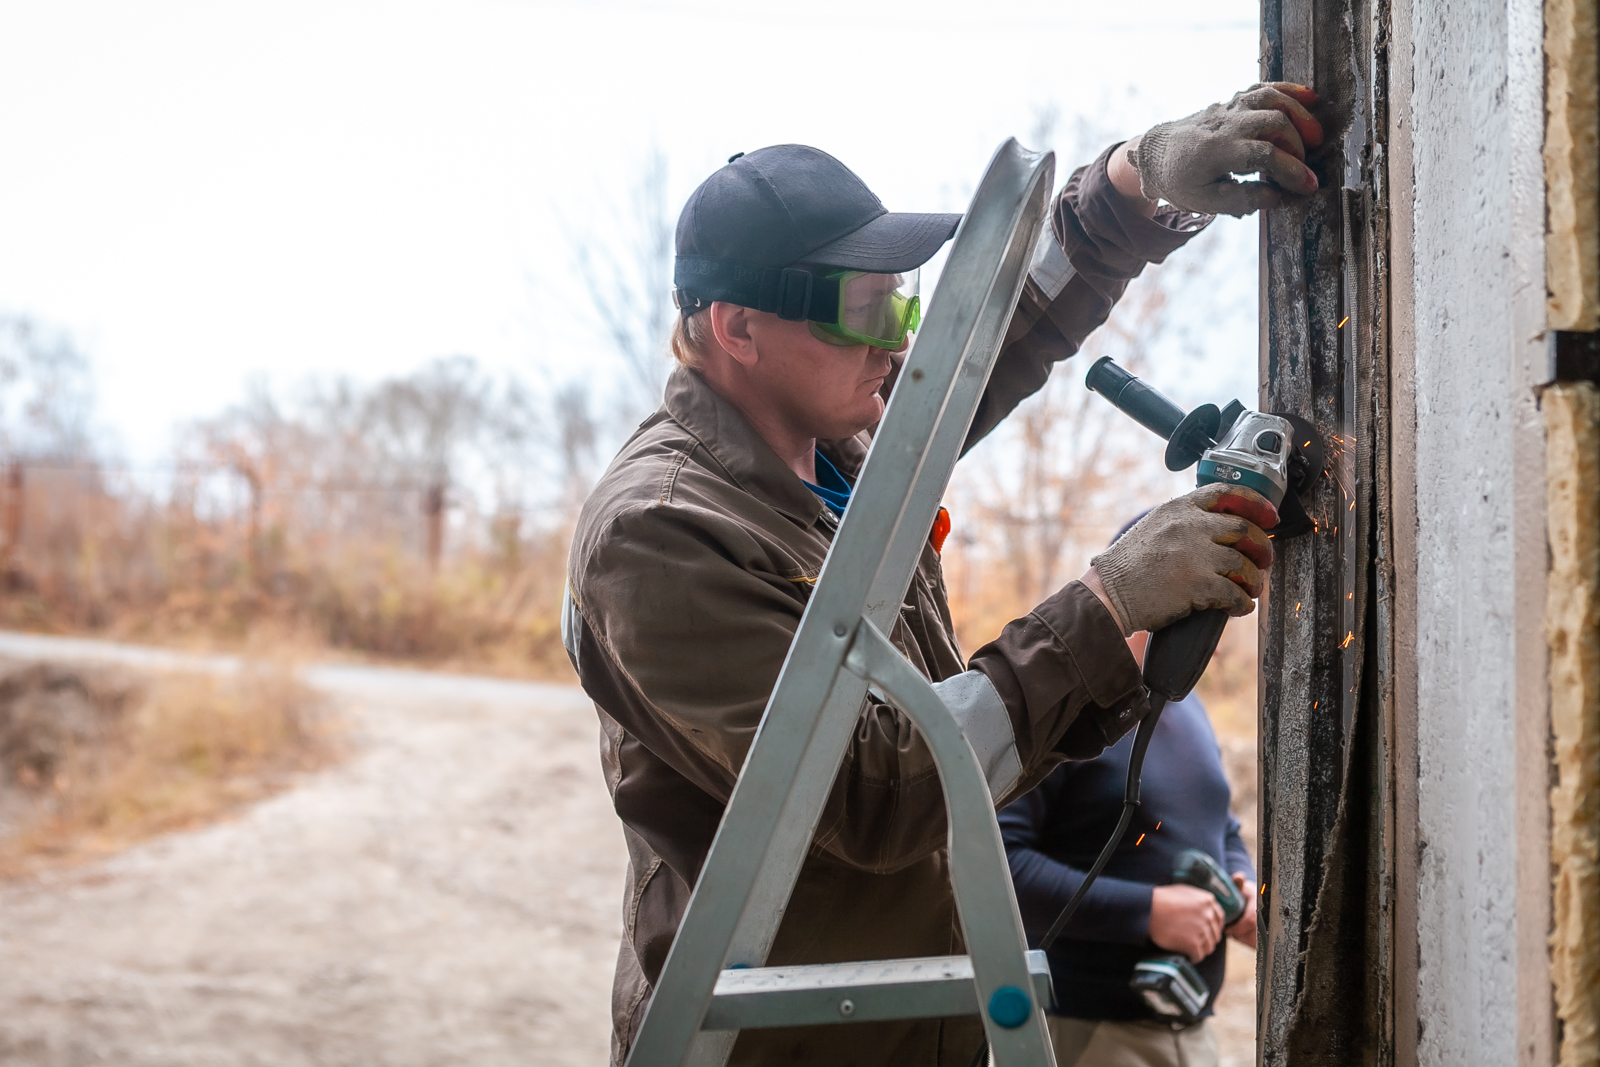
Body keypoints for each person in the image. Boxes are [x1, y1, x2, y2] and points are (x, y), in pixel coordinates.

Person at [563, 84, 1321, 1066]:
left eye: (901, 305)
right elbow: (874, 786)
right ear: (736, 328)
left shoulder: (848, 439)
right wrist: (1107, 606)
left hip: (920, 1028)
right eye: (859, 311)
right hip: (782, 1045)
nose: (893, 344)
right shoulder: (663, 533)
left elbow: (989, 336)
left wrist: (1137, 185)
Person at [1000, 514, 1259, 1067]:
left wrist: (1242, 885)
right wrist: (1147, 911)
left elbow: (1223, 826)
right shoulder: (1059, 703)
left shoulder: (1189, 706)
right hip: (1090, 1033)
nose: (1215, 633)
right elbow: (1003, 865)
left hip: (1192, 1029)